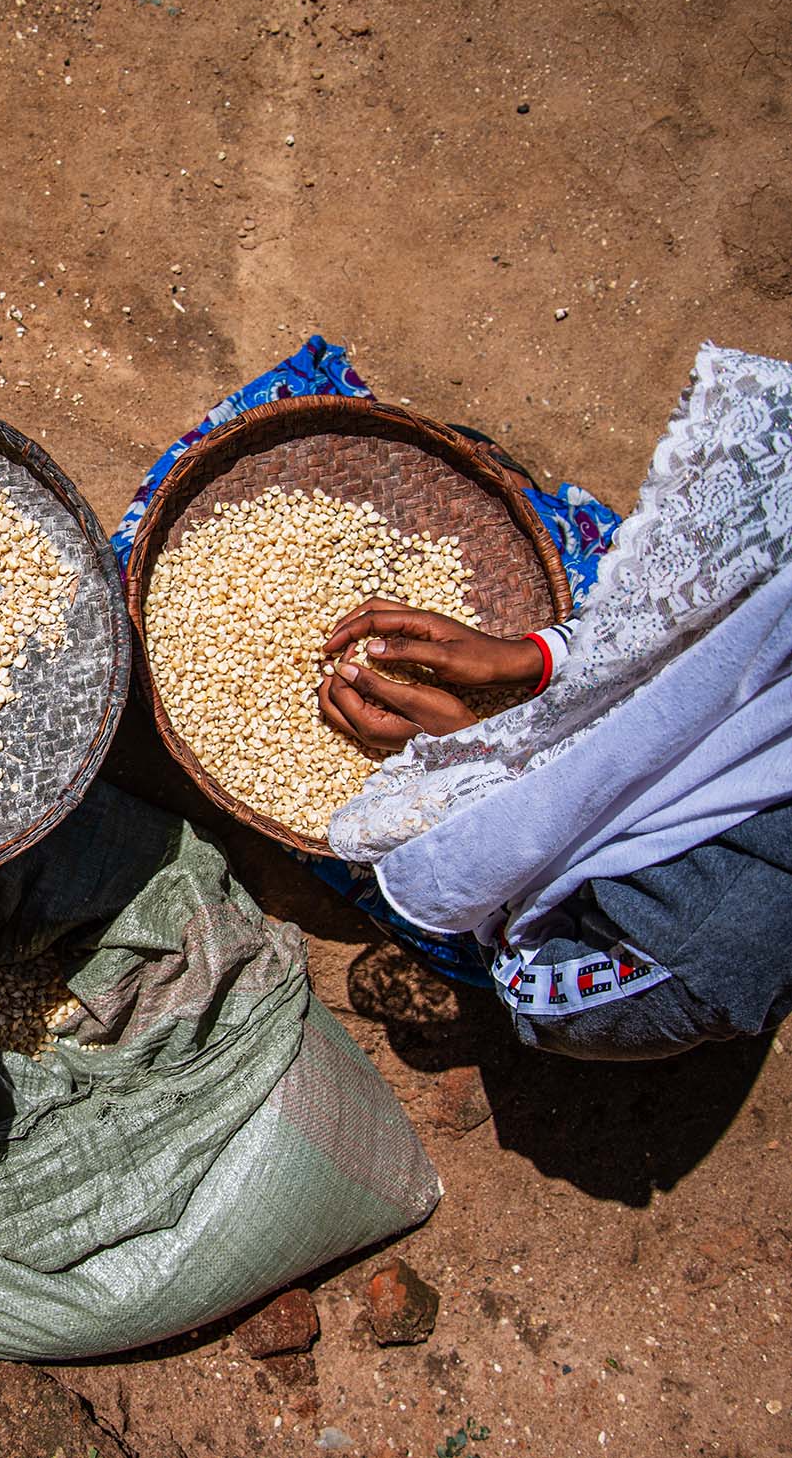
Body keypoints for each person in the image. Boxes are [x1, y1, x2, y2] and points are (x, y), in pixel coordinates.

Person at [314, 343, 792, 1061]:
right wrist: (541, 659)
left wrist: (476, 761)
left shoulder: (701, 952)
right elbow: (714, 620)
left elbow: (539, 990)